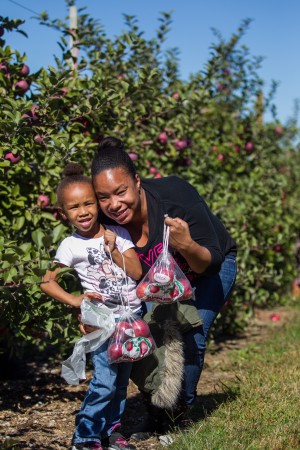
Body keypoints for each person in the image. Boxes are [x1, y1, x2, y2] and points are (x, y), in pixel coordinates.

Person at [90, 136, 237, 428]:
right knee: (147, 337)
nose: (114, 204)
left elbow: (211, 262)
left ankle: (179, 417)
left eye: (121, 192)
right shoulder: (108, 225)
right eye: (103, 197)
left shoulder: (176, 198)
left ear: (137, 181)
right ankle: (159, 411)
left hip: (208, 269)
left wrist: (186, 245)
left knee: (190, 333)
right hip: (160, 281)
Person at [40, 163, 142, 450]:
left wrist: (113, 249)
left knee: (121, 382)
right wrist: (76, 300)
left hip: (132, 317)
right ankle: (85, 436)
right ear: (63, 213)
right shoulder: (70, 246)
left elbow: (136, 272)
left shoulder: (117, 233)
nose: (83, 211)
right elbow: (46, 281)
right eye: (74, 207)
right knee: (105, 381)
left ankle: (111, 433)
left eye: (88, 203)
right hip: (103, 322)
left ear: (98, 203)